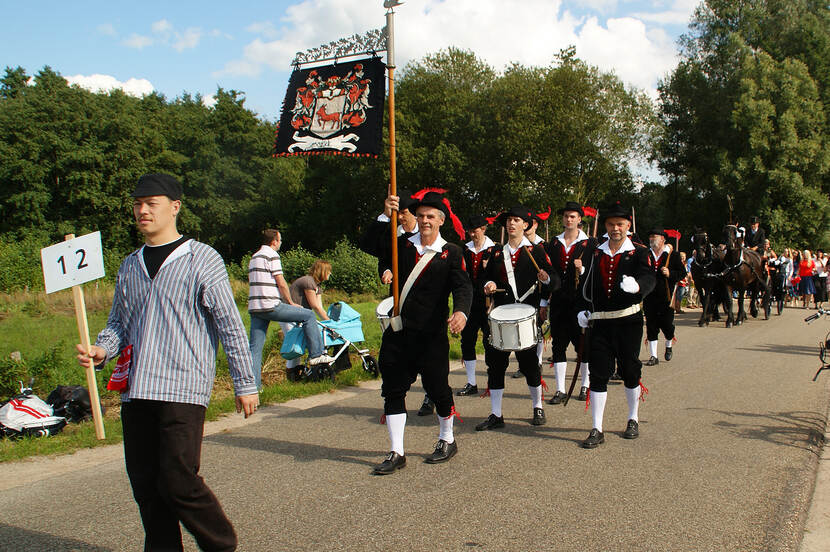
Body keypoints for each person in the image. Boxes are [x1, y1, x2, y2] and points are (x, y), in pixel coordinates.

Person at [76, 173, 259, 551]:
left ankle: (220, 544)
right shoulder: (130, 265)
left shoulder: (201, 258)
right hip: (136, 390)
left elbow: (229, 324)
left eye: (151, 203)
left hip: (182, 387)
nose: (142, 211)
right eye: (137, 204)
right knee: (145, 484)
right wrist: (101, 351)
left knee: (177, 479)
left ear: (174, 207)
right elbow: (118, 325)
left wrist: (245, 384)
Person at [364, 190, 472, 474]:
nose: (424, 221)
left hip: (431, 334)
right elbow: (368, 244)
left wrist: (461, 312)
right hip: (397, 330)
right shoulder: (401, 244)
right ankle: (396, 451)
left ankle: (447, 439)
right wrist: (384, 215)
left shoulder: (452, 252)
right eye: (420, 215)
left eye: (430, 217)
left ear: (440, 221)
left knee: (438, 389)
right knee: (393, 390)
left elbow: (463, 286)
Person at [577, 202, 655, 449]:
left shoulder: (639, 252)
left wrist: (639, 286)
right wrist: (582, 307)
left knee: (630, 370)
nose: (615, 228)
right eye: (611, 224)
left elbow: (649, 277)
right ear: (605, 226)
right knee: (598, 372)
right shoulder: (594, 251)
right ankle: (597, 428)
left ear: (628, 225)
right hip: (600, 322)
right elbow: (585, 283)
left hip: (628, 321)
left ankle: (633, 418)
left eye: (620, 224)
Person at [476, 206, 557, 431]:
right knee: (496, 366)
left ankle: (538, 406)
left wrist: (547, 277)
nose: (511, 224)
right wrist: (488, 285)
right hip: (500, 315)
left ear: (525, 225)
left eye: (517, 220)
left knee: (530, 365)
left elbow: (555, 280)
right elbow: (484, 278)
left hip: (526, 315)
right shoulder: (495, 252)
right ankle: (496, 414)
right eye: (509, 220)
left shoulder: (536, 251)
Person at [248, 230, 334, 389]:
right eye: (280, 240)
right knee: (308, 315)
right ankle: (316, 355)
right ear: (274, 241)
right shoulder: (272, 255)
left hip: (254, 307)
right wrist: (289, 302)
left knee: (255, 348)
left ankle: (254, 388)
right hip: (270, 304)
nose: (281, 243)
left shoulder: (254, 257)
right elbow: (280, 282)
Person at [545, 201, 592, 403]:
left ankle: (585, 385)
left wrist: (581, 269)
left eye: (573, 216)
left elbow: (594, 275)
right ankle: (560, 389)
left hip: (581, 302)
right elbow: (550, 272)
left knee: (583, 345)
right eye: (566, 216)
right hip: (558, 302)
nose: (569, 219)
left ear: (580, 219)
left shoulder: (591, 244)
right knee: (558, 345)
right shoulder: (553, 244)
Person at [457, 214, 495, 397]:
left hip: (488, 304)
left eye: (476, 230)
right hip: (469, 303)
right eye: (470, 231)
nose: (473, 234)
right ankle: (471, 382)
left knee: (490, 342)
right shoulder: (465, 249)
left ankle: (492, 380)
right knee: (467, 341)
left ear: (484, 229)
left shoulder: (495, 249)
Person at [281, 260, 332, 379]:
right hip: (289, 315)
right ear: (323, 271)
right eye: (329, 271)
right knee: (295, 346)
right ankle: (292, 375)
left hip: (301, 317)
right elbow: (315, 306)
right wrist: (329, 322)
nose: (330, 274)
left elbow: (320, 308)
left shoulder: (317, 286)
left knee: (304, 344)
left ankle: (301, 374)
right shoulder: (308, 282)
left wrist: (328, 321)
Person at [642, 228, 686, 365]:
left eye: (654, 237)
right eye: (650, 237)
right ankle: (653, 356)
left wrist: (670, 273)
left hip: (666, 296)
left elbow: (682, 273)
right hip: (649, 296)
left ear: (663, 239)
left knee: (667, 325)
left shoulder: (673, 255)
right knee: (651, 325)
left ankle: (668, 345)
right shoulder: (645, 254)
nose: (652, 239)